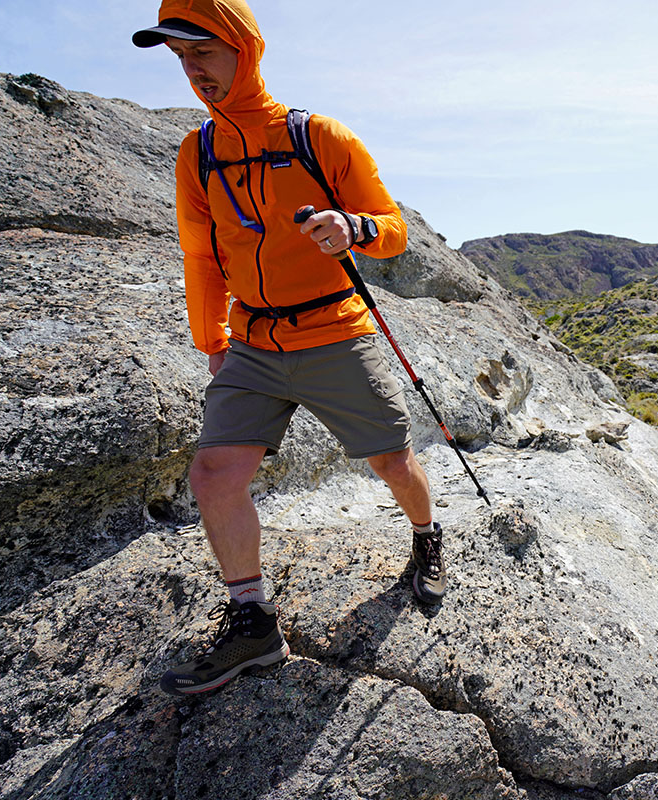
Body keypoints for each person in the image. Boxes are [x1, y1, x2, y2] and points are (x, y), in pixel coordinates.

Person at [133, 0, 447, 697]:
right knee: (214, 476)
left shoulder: (318, 135)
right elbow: (200, 255)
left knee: (393, 461)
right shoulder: (198, 153)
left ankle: (427, 538)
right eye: (180, 57)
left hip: (335, 328)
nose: (192, 70)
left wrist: (352, 226)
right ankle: (253, 624)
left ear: (243, 49)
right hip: (252, 340)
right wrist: (211, 339)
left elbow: (393, 230)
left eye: (202, 52)